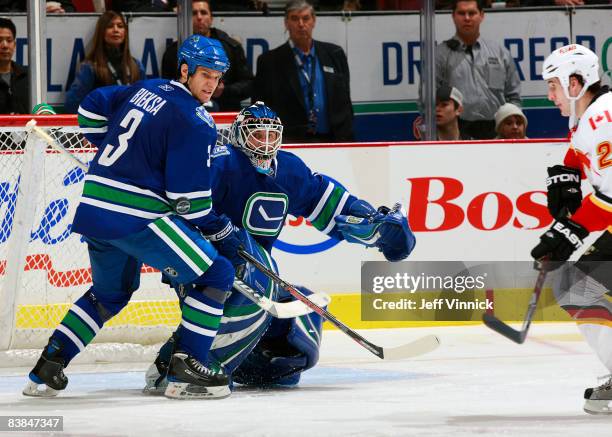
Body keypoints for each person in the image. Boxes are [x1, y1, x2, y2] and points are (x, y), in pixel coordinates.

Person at [24, 35, 246, 401]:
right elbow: (188, 203)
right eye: (205, 74)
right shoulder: (196, 120)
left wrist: (115, 151)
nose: (212, 84)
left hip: (95, 208)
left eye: (218, 76)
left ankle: (48, 367)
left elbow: (91, 107)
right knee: (217, 273)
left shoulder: (147, 87)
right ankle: (186, 368)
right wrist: (223, 231)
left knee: (109, 295)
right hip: (136, 216)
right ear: (186, 69)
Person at [143, 102, 416, 394]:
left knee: (302, 326)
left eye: (271, 136)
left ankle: (176, 360)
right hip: (202, 267)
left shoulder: (288, 170)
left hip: (251, 274)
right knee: (262, 272)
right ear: (238, 136)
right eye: (256, 135)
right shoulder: (220, 163)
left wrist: (374, 226)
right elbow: (181, 208)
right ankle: (194, 366)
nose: (264, 143)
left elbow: (327, 203)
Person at [530, 44, 612, 415]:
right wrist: (567, 174)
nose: (550, 96)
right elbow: (580, 151)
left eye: (554, 86)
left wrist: (569, 231)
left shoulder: (602, 120)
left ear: (576, 82)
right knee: (578, 286)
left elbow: (610, 198)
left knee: (576, 286)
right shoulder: (590, 116)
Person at [253, 0, 354, 143]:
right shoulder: (270, 61)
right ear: (286, 23)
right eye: (294, 19)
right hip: (292, 143)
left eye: (306, 18)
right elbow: (261, 109)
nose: (301, 24)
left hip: (335, 139)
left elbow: (345, 102)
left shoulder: (335, 54)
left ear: (314, 21)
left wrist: (348, 139)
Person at [435, 0, 521, 139]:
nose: (467, 18)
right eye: (462, 13)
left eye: (472, 13)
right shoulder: (440, 55)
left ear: (481, 15)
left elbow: (514, 96)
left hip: (496, 130)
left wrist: (509, 124)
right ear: (453, 16)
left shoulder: (499, 52)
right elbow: (428, 98)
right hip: (457, 131)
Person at [161, 0, 254, 111]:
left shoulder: (231, 47)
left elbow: (249, 85)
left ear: (211, 18)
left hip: (224, 114)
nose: (199, 17)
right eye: (194, 13)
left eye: (203, 13)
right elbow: (166, 88)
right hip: (186, 114)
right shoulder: (174, 52)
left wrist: (224, 91)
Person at [64, 11, 145, 114]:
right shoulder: (90, 67)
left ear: (125, 32)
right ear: (101, 32)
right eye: (110, 26)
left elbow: (145, 102)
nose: (116, 30)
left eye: (120, 26)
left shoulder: (136, 65)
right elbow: (72, 105)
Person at [0, 18, 28, 114]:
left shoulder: (27, 76)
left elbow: (39, 106)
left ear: (15, 45)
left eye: (9, 40)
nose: (4, 45)